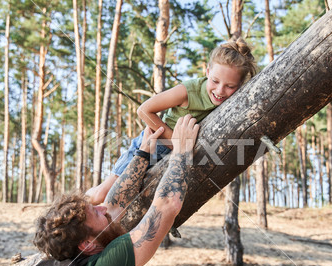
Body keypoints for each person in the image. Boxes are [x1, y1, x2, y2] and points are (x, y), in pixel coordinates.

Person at [33, 114, 200, 266]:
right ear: (87, 244)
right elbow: (168, 204)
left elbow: (114, 204)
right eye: (96, 213)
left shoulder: (74, 259)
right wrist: (182, 151)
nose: (102, 208)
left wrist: (143, 153)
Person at [86, 37, 257, 205]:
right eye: (215, 81)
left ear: (241, 84)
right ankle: (74, 208)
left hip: (176, 157)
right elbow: (144, 110)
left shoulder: (234, 101)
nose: (220, 90)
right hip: (152, 146)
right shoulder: (188, 91)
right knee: (104, 194)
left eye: (230, 86)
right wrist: (176, 142)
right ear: (207, 72)